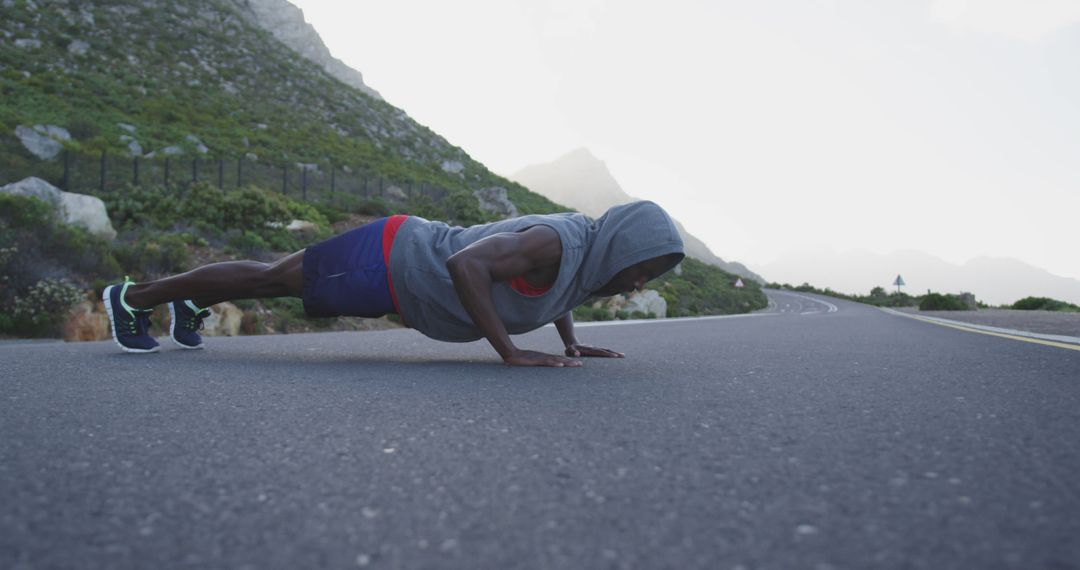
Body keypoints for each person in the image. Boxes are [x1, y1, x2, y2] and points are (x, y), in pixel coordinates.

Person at [102, 200, 685, 367]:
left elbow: (557, 289)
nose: (638, 281)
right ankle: (132, 298)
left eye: (649, 276)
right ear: (623, 244)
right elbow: (467, 267)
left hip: (404, 282)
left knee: (270, 284)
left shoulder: (590, 261)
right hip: (392, 256)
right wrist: (509, 353)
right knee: (267, 280)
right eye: (641, 268)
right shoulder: (555, 239)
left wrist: (569, 342)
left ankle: (188, 304)